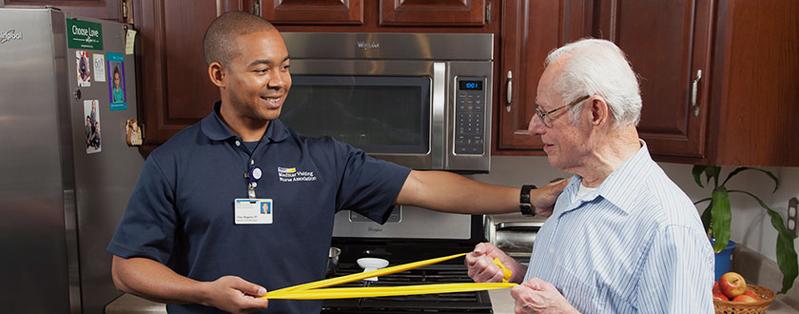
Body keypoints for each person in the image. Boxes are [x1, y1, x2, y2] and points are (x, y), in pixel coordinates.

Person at [107, 12, 566, 314]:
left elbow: (425, 187)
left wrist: (528, 197)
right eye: (262, 69)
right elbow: (128, 268)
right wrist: (204, 292)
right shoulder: (172, 162)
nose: (279, 82)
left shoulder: (322, 157)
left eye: (285, 67)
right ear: (218, 75)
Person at [464, 38, 714, 313]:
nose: (534, 126)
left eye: (545, 113)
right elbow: (585, 295)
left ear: (595, 112)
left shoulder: (668, 227)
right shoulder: (575, 189)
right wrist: (518, 274)